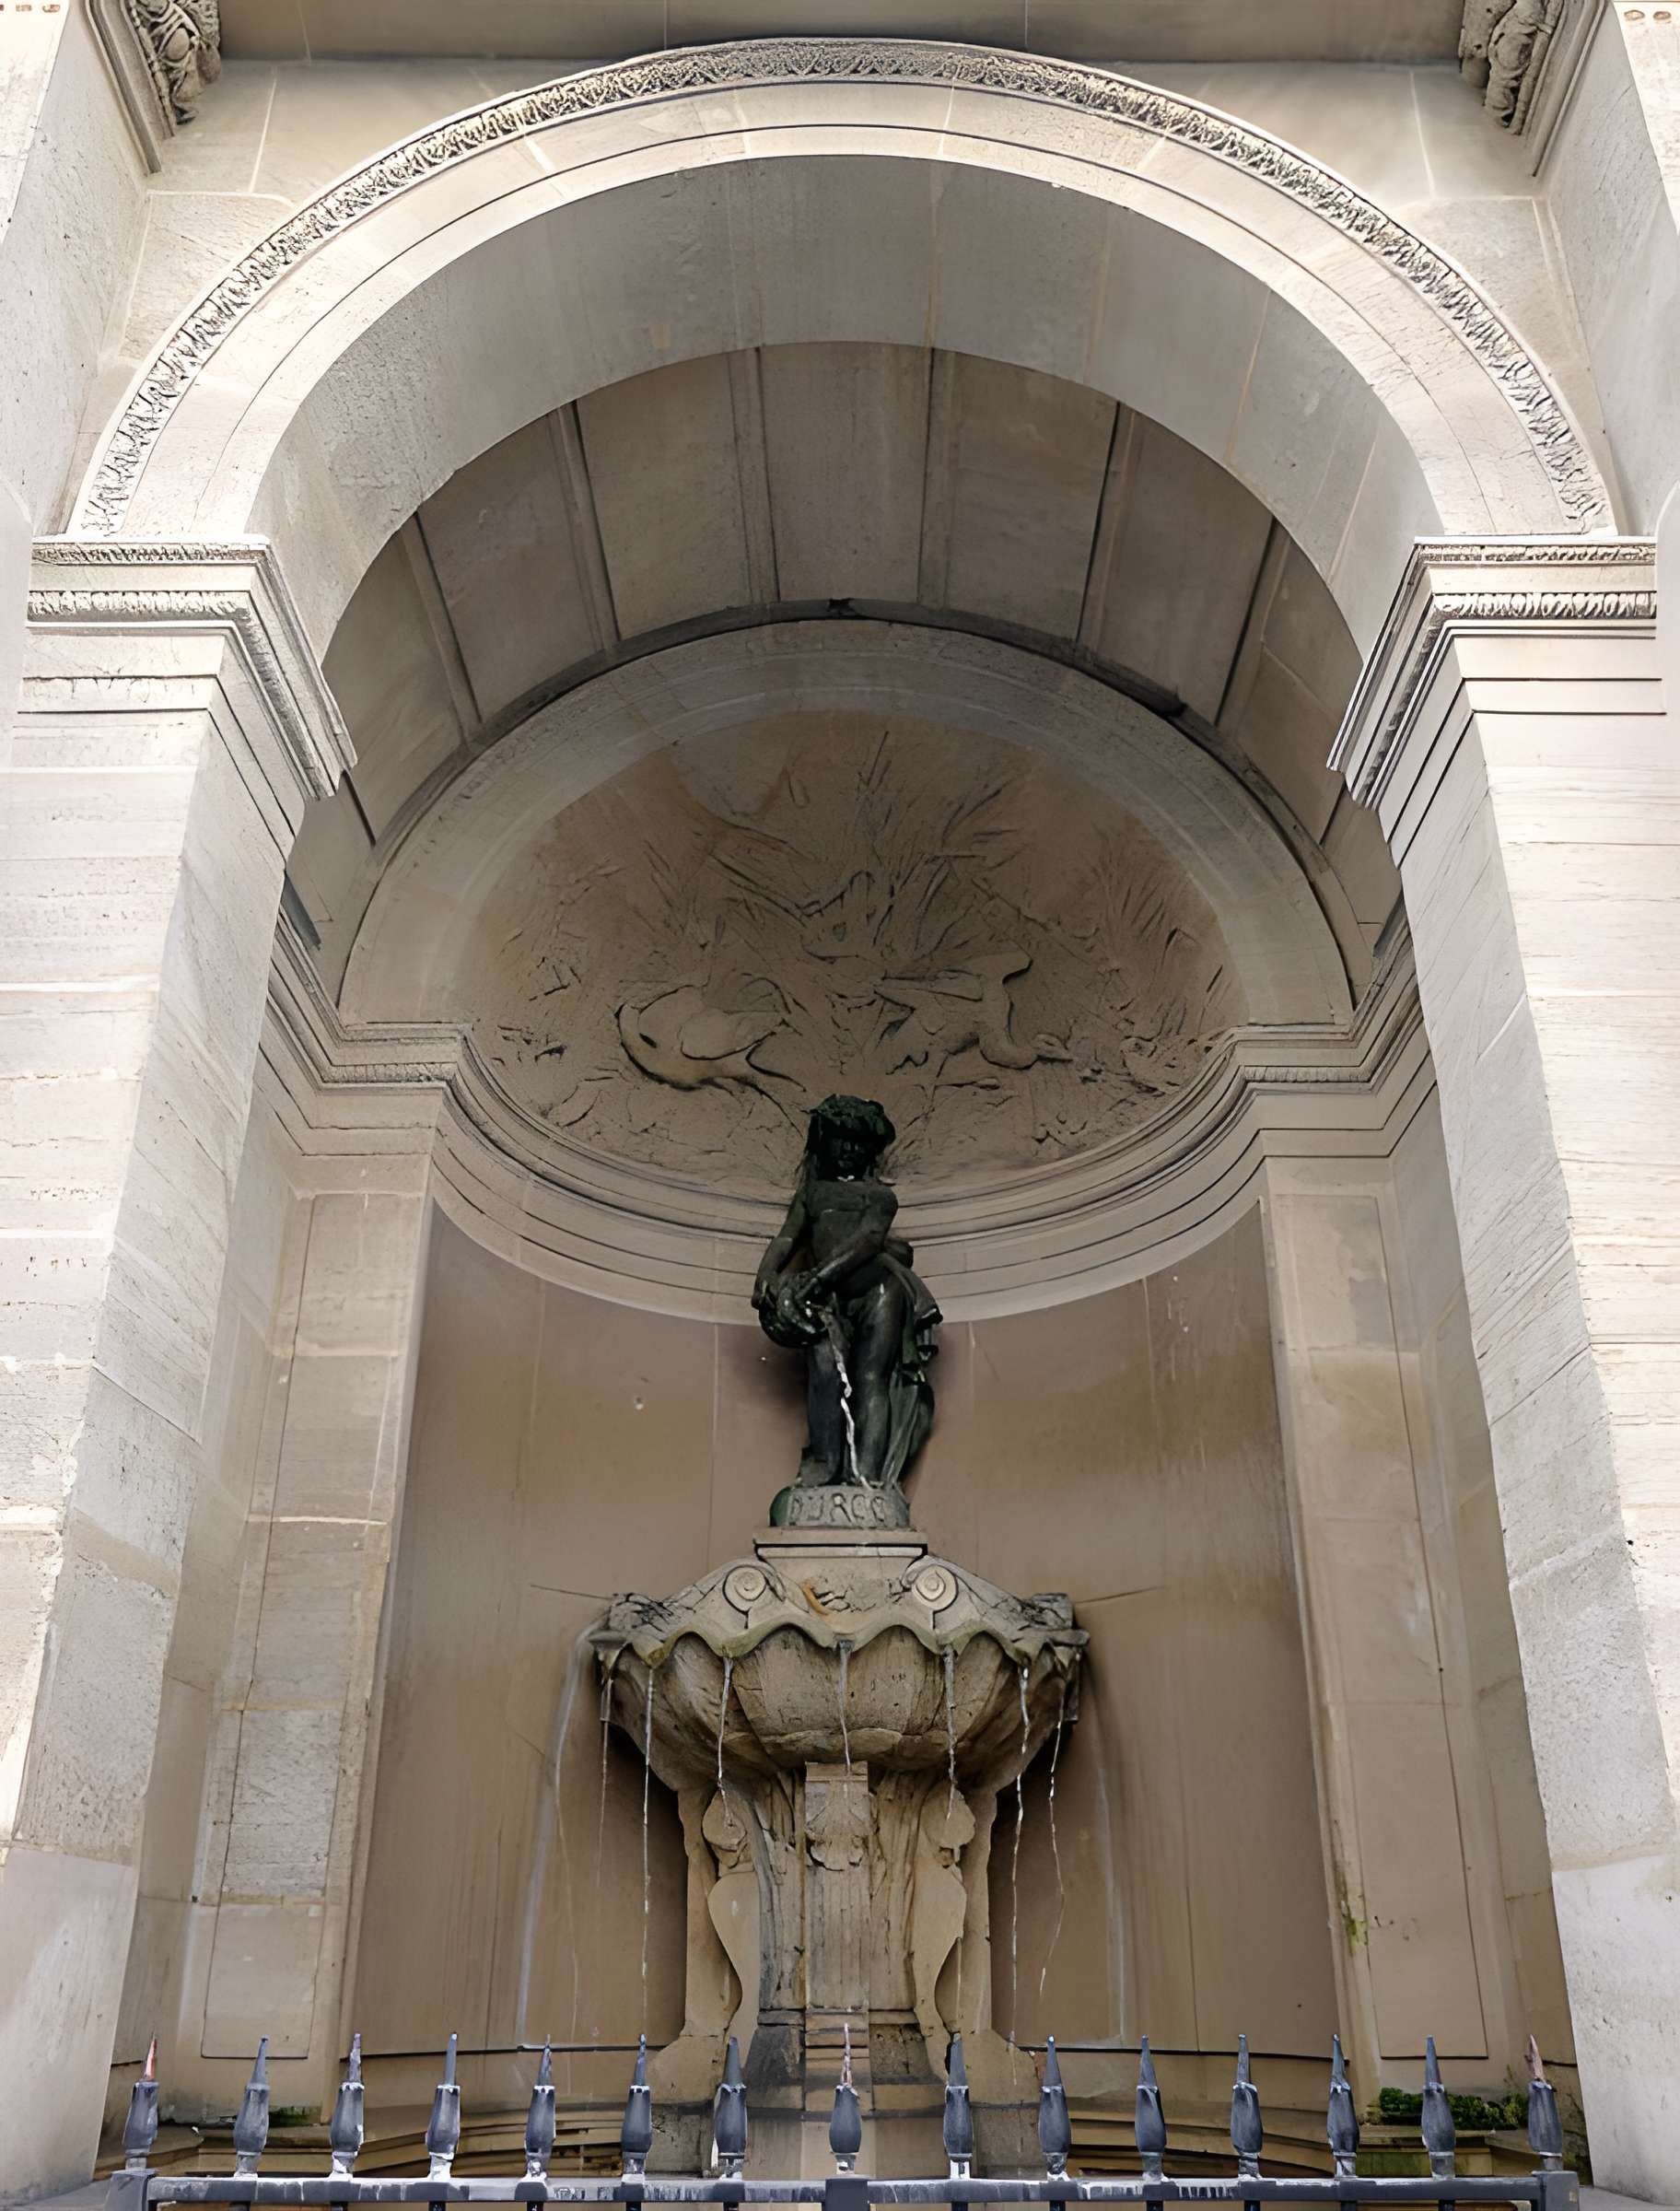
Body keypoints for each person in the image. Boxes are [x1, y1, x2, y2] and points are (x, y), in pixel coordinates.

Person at [752, 1095, 939, 1493]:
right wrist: (766, 1273)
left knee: (871, 1377)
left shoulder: (879, 1196)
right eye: (842, 1139)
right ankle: (824, 1463)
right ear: (827, 1142)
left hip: (878, 1291)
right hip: (825, 1303)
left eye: (859, 1142)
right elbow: (788, 1236)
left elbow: (868, 1242)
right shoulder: (813, 1194)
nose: (850, 1149)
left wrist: (816, 1279)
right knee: (824, 1375)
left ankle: (868, 1475)